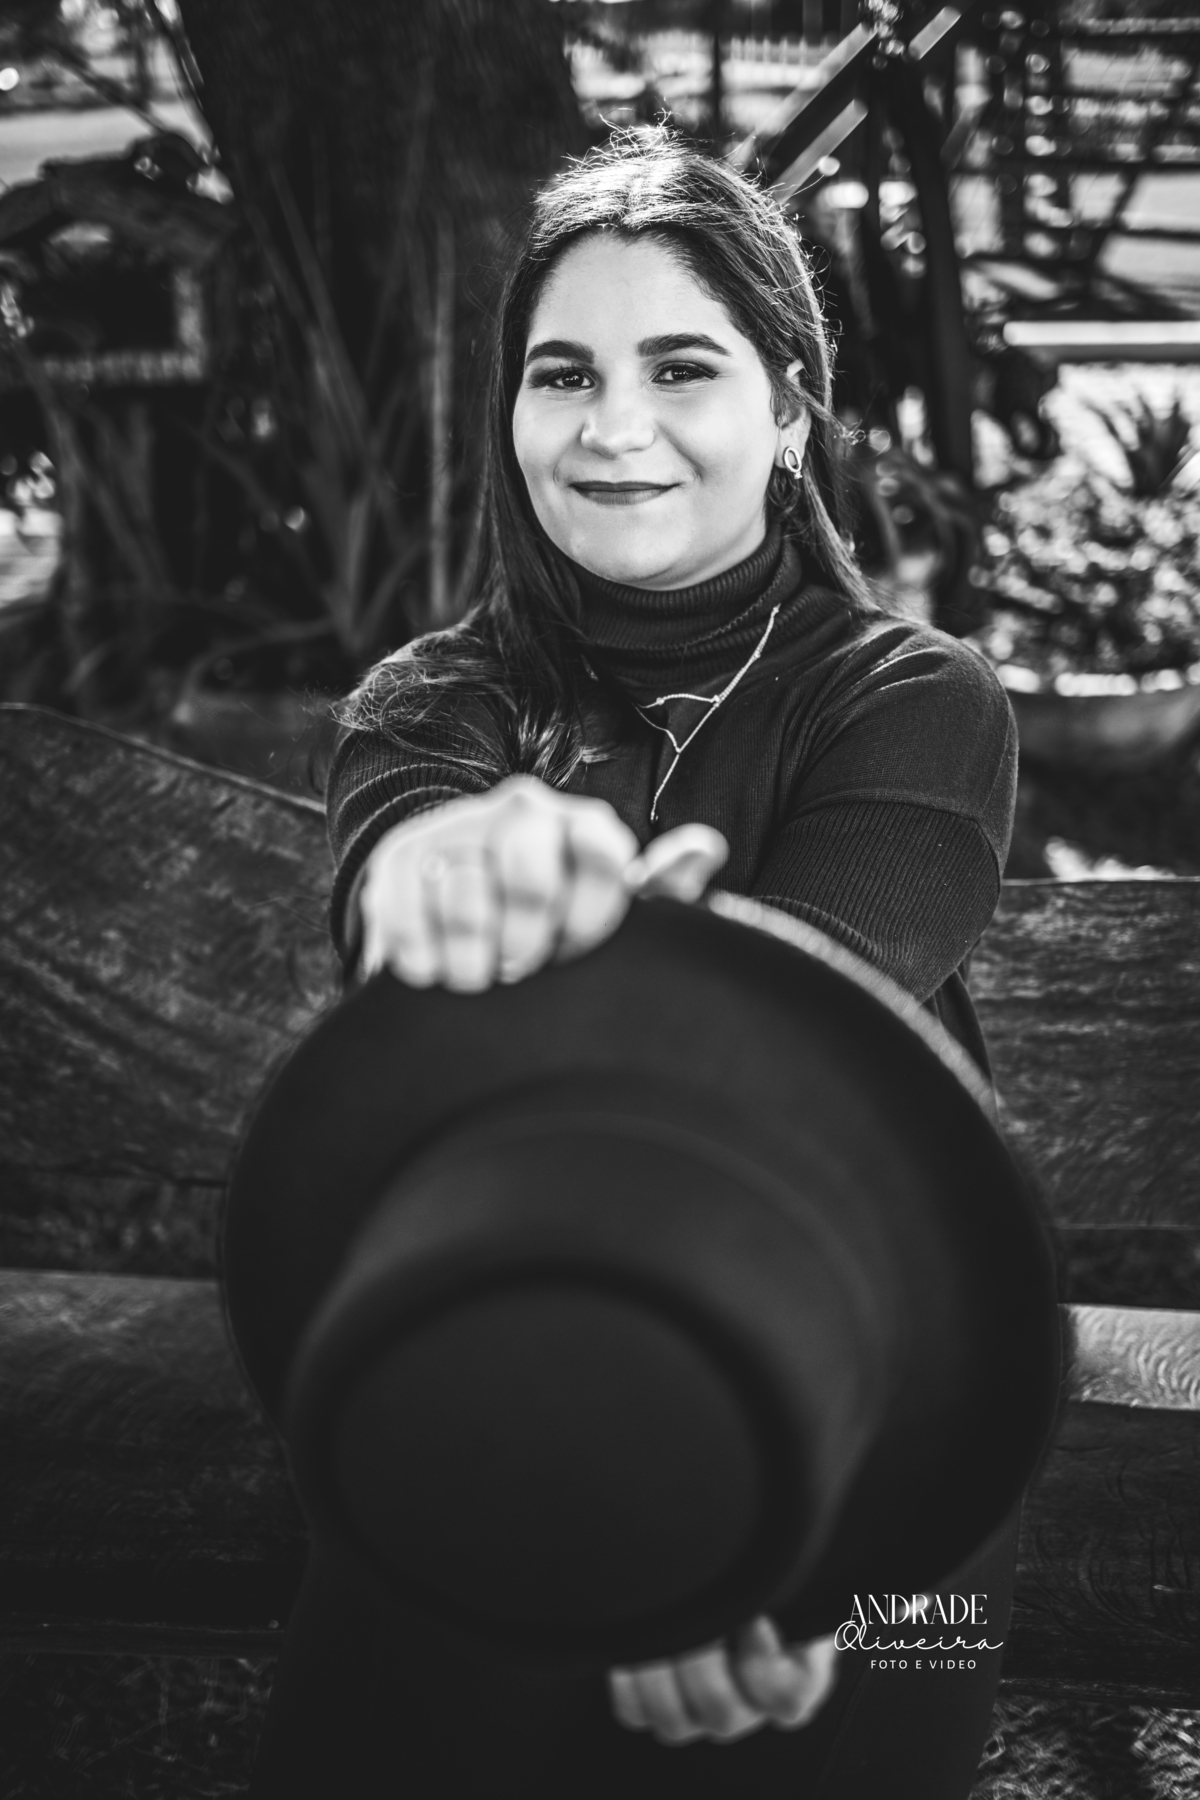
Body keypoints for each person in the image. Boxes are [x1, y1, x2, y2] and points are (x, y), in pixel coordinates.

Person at [251, 130, 1020, 1799]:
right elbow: (403, 860)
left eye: (682, 367)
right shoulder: (429, 700)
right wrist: (450, 874)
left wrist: (732, 1519)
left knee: (880, 1661)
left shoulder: (915, 696)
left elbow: (804, 1037)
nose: (611, 427)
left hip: (881, 1409)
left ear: (791, 411)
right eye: (563, 374)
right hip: (497, 1356)